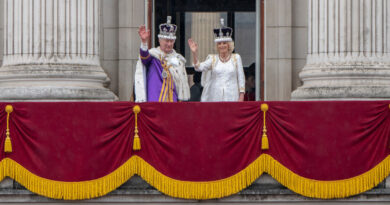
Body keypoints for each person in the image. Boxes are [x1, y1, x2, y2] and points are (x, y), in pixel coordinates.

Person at [188, 19, 245, 102]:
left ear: (229, 45)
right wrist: (194, 53)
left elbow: (241, 78)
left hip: (232, 97)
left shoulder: (236, 58)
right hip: (215, 97)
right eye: (219, 44)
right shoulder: (213, 59)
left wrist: (241, 95)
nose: (222, 46)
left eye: (224, 43)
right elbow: (199, 67)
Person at [134, 16, 190, 102]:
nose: (169, 44)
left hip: (172, 103)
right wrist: (144, 42)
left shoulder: (178, 60)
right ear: (160, 40)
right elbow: (144, 57)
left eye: (171, 41)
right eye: (166, 41)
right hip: (155, 102)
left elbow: (181, 84)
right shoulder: (153, 56)